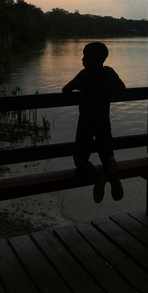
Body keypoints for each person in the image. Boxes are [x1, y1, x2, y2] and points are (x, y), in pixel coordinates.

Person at [62, 41, 126, 202]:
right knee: (107, 153)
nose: (82, 60)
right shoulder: (109, 72)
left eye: (85, 56)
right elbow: (122, 88)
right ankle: (111, 171)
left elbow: (66, 90)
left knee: (80, 157)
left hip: (86, 120)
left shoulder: (85, 74)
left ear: (91, 58)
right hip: (104, 119)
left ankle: (97, 177)